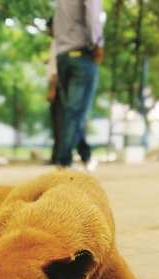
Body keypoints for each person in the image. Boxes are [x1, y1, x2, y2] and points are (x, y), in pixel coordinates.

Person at [53, 0, 104, 168]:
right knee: (76, 112)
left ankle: (85, 155)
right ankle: (63, 161)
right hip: (81, 55)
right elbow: (92, 15)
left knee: (71, 112)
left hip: (62, 56)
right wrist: (98, 42)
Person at [46, 16, 95, 167]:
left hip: (60, 87)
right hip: (63, 84)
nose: (48, 31)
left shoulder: (61, 43)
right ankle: (79, 156)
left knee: (70, 119)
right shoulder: (61, 42)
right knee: (73, 119)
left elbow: (55, 70)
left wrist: (52, 89)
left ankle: (65, 158)